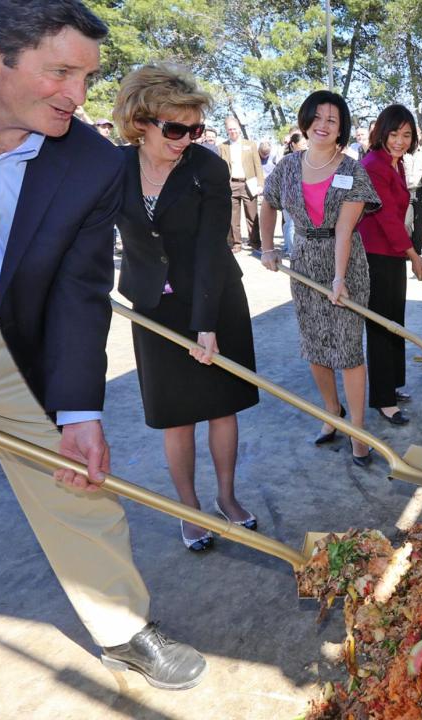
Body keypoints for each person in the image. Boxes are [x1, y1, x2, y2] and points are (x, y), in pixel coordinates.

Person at [0, 3, 207, 717]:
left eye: (87, 76)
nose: (78, 96)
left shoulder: (87, 160)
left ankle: (122, 627)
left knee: (78, 490)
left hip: (15, 345)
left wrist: (81, 409)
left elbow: (79, 289)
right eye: (60, 72)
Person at [111, 65, 260, 552]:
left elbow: (212, 249)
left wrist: (205, 325)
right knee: (176, 414)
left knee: (221, 406)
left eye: (194, 129)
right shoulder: (113, 168)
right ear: (140, 122)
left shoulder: (207, 167)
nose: (186, 139)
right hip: (153, 305)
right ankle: (188, 507)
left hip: (213, 299)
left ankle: (226, 498)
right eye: (175, 129)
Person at [258, 90, 380, 466]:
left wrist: (340, 279)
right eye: (318, 117)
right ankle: (332, 412)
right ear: (306, 120)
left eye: (332, 119)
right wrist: (267, 247)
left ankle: (358, 432)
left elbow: (344, 231)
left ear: (341, 127)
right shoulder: (288, 166)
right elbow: (268, 202)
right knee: (314, 345)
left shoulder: (351, 171)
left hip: (344, 262)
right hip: (305, 261)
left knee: (347, 349)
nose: (323, 125)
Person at [358, 105, 422, 425]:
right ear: (382, 132)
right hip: (376, 255)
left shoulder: (395, 163)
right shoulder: (374, 164)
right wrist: (413, 255)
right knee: (382, 326)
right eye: (394, 134)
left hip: (392, 253)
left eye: (407, 135)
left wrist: (407, 253)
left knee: (394, 322)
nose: (400, 141)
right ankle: (383, 399)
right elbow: (386, 216)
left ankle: (392, 385)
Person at [218, 116, 265, 251]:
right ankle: (236, 243)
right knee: (233, 217)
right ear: (226, 131)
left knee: (252, 215)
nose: (232, 131)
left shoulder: (250, 145)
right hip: (231, 184)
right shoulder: (222, 146)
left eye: (234, 129)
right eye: (229, 129)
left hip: (249, 183)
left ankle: (255, 243)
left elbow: (258, 166)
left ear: (239, 129)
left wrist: (260, 183)